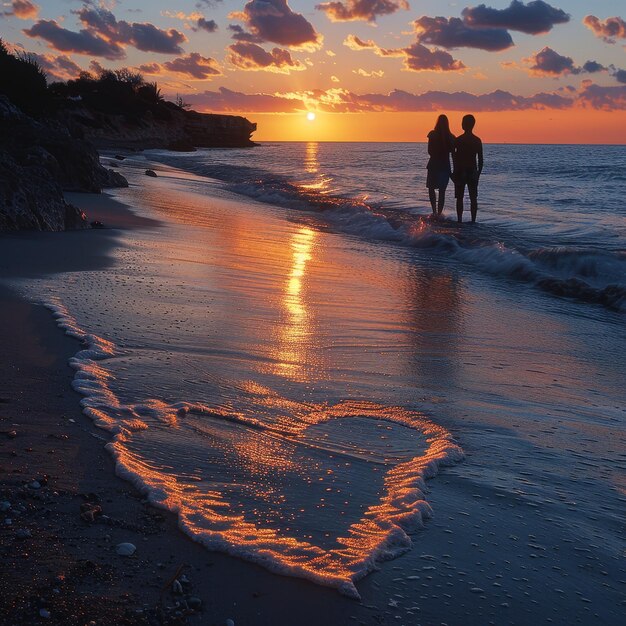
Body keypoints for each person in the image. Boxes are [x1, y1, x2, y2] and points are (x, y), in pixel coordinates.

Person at [453, 114, 483, 223]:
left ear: (463, 125)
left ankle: (459, 220)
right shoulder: (477, 140)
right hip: (472, 171)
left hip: (461, 171)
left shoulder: (459, 140)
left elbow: (453, 155)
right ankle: (473, 221)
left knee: (460, 198)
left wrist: (454, 171)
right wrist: (478, 173)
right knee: (473, 198)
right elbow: (481, 160)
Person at [426, 114, 455, 218]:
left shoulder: (432, 134)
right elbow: (453, 154)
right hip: (445, 167)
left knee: (431, 188)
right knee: (442, 191)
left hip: (433, 165)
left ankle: (434, 212)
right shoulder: (451, 137)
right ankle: (439, 214)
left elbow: (429, 151)